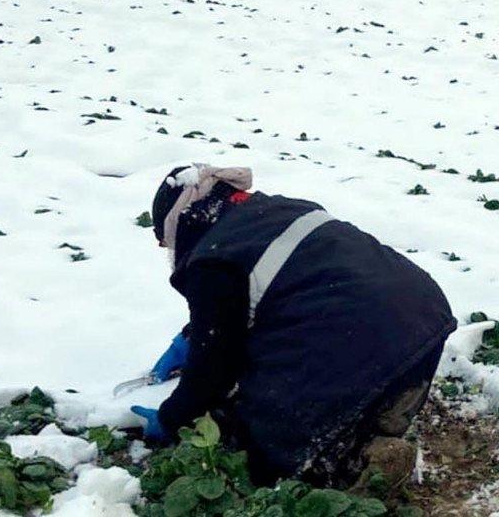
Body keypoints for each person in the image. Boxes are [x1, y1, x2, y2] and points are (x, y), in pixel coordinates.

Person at [130, 164, 457, 489]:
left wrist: (172, 418)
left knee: (258, 437)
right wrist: (192, 337)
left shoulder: (212, 260)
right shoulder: (276, 210)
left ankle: (360, 461)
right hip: (422, 316)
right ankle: (383, 406)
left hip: (358, 334)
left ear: (179, 226)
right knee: (320, 361)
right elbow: (276, 286)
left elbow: (213, 372)